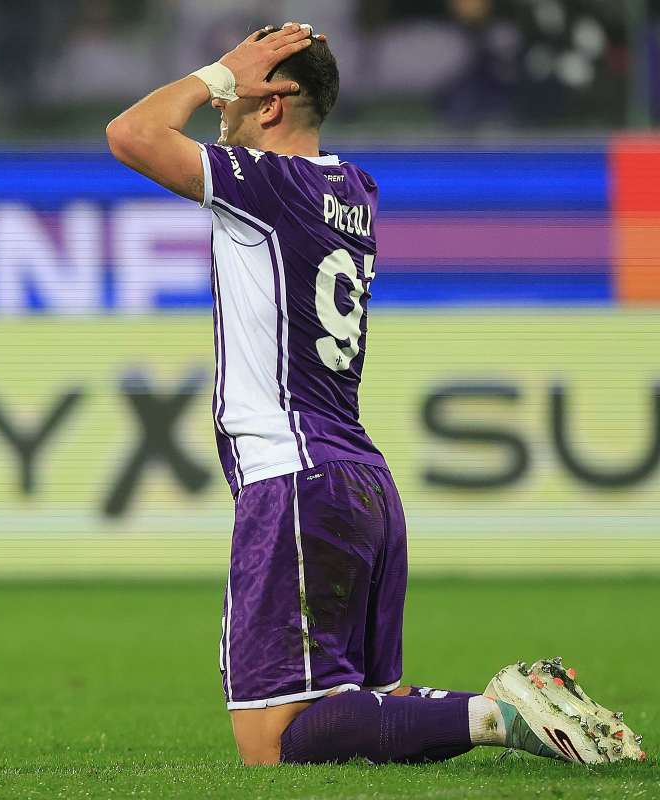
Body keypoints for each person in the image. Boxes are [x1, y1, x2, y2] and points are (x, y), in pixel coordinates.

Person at [105, 23, 645, 767]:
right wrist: (246, 77)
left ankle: (499, 712)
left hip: (295, 481)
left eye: (240, 92)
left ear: (273, 102)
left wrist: (218, 70)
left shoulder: (269, 184)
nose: (221, 108)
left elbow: (131, 134)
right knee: (365, 712)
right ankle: (512, 715)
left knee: (271, 743)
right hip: (362, 484)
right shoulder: (352, 189)